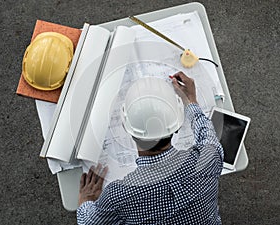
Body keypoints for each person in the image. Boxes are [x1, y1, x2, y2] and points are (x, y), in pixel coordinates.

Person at [77, 71, 224, 224]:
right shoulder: (209, 158)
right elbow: (206, 133)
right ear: (177, 127)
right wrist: (190, 101)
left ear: (127, 129)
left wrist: (86, 200)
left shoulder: (118, 195)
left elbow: (88, 223)